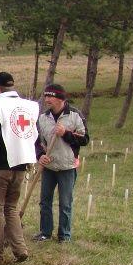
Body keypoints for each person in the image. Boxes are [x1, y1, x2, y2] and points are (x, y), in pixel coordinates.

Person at [0, 72, 38, 265]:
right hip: (21, 165)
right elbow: (34, 136)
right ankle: (20, 249)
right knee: (11, 208)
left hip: (1, 166)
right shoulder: (30, 106)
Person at [35, 84, 89, 242]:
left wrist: (65, 133)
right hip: (49, 166)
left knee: (65, 203)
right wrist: (40, 155)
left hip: (67, 166)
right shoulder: (43, 118)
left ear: (60, 99)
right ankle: (45, 232)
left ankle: (64, 235)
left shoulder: (75, 116)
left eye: (50, 96)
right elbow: (37, 142)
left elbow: (84, 139)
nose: (46, 99)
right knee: (45, 201)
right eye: (45, 96)